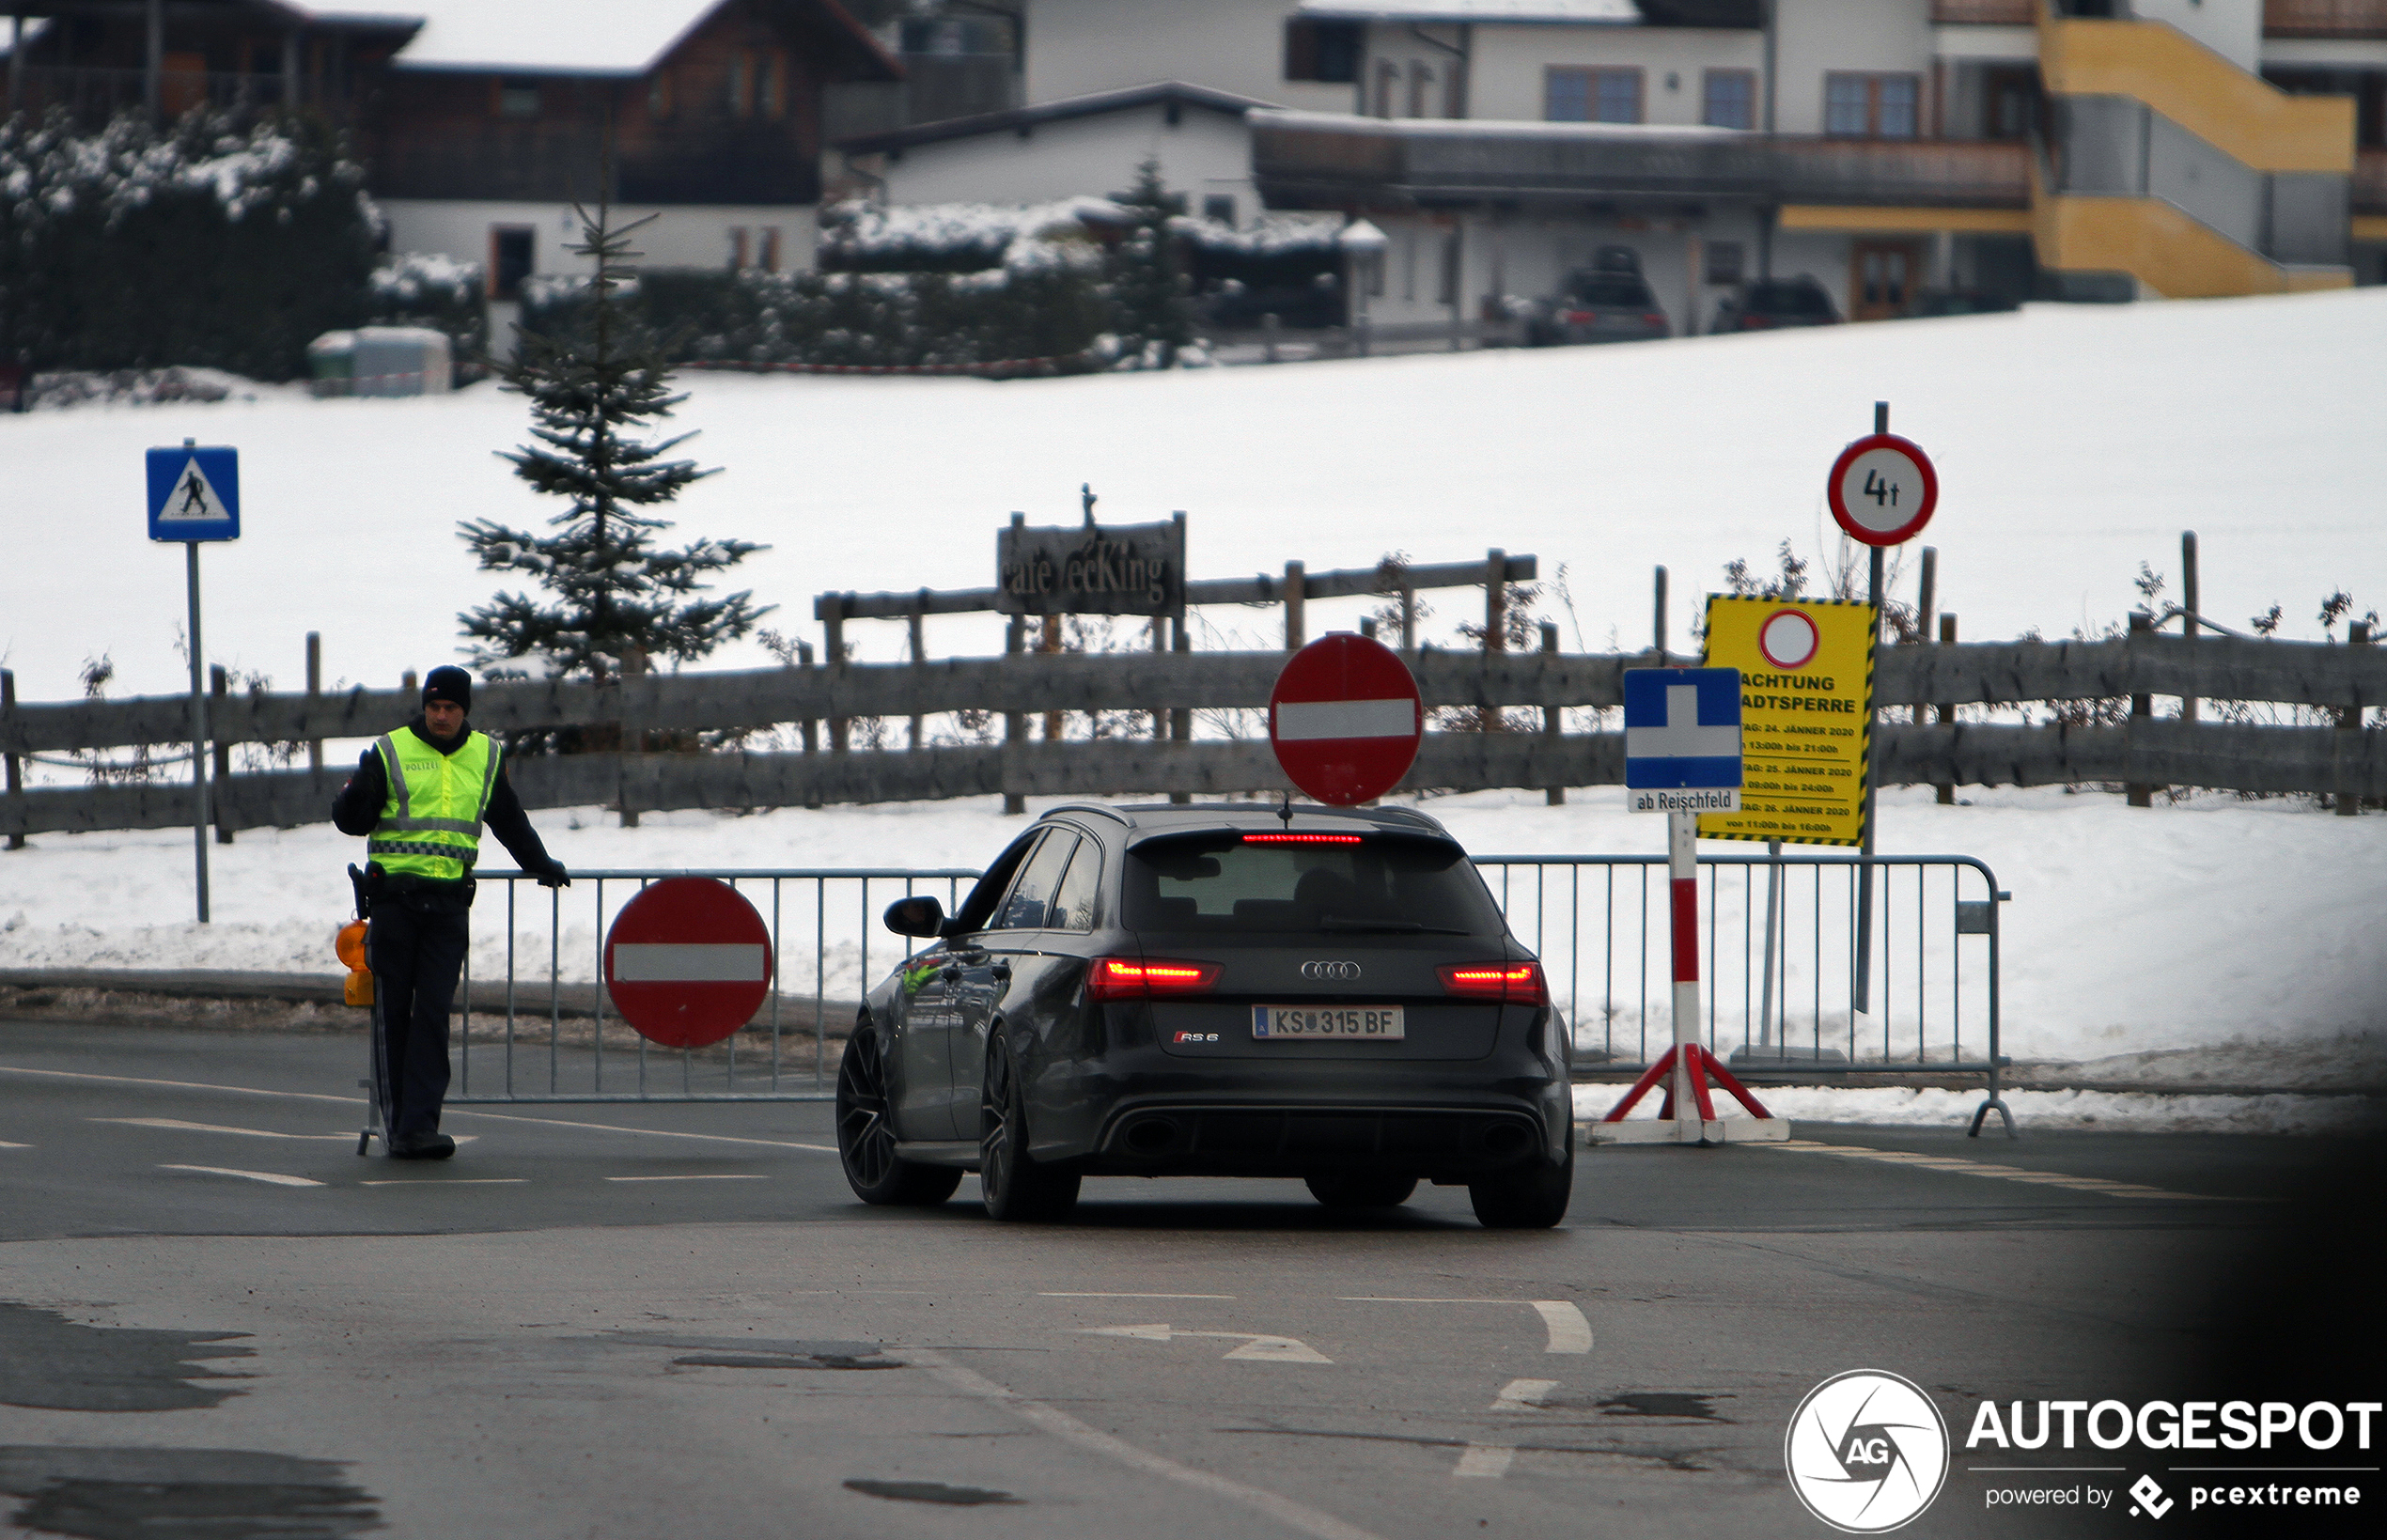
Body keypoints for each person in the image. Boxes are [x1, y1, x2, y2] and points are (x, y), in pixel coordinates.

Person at [333, 666, 568, 1159]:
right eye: (435, 707)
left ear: (465, 711)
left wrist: (540, 863)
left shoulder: (484, 755)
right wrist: (357, 795)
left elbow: (508, 818)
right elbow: (351, 821)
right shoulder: (390, 750)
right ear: (425, 707)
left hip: (447, 906)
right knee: (395, 1015)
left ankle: (420, 1126)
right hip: (395, 903)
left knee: (433, 1016)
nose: (441, 716)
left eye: (451, 708)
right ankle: (400, 1129)